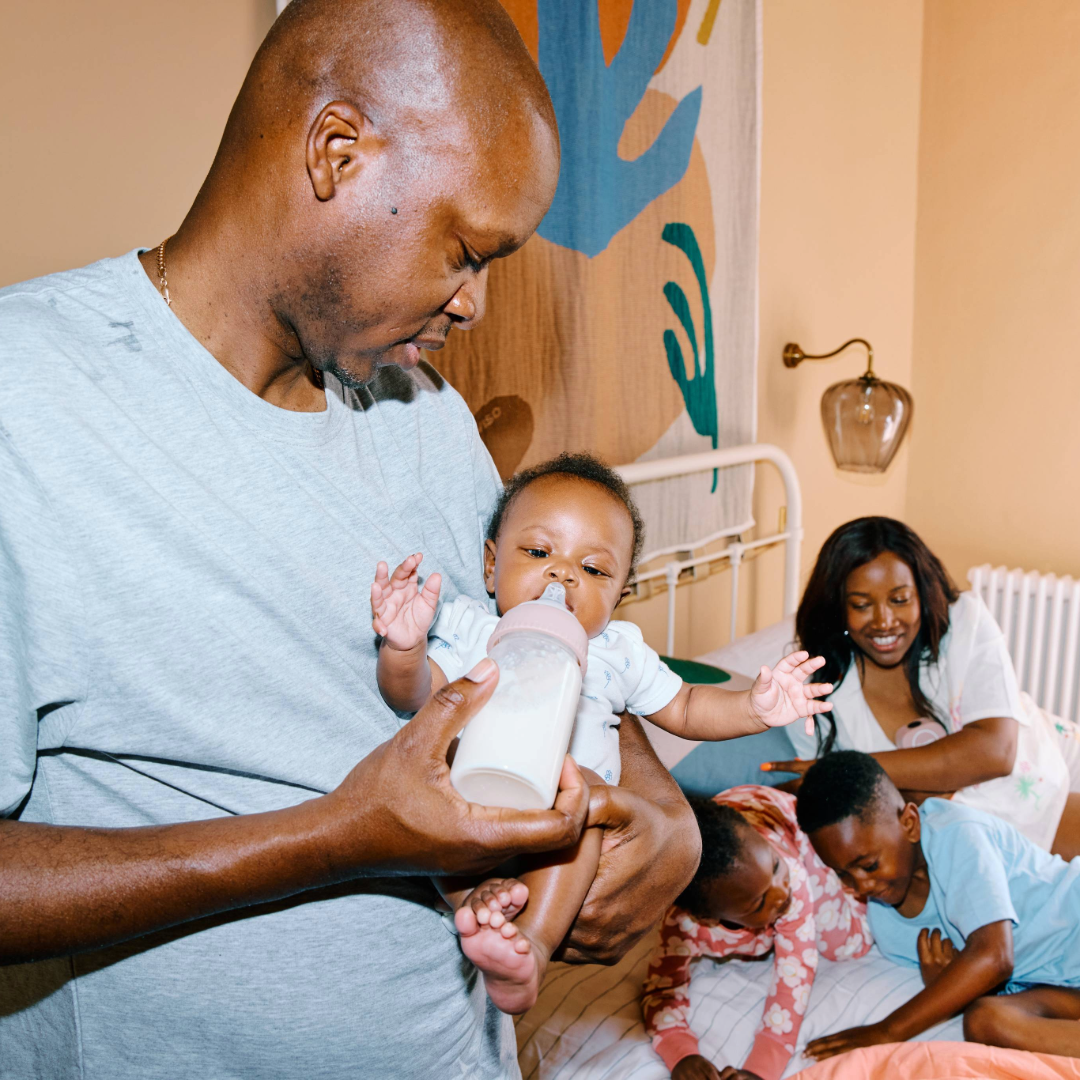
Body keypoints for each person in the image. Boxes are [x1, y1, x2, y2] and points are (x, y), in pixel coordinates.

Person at [0, 2, 702, 1076]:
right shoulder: (28, 403)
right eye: (467, 251)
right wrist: (334, 837)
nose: (474, 305)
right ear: (337, 152)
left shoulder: (427, 420)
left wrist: (660, 806)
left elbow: (538, 634)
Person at [372, 454, 835, 1015]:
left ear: (620, 593)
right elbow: (417, 696)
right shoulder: (472, 627)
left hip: (566, 826)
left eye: (593, 570)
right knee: (433, 807)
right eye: (538, 553)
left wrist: (755, 708)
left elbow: (686, 705)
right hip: (472, 805)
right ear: (491, 566)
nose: (562, 575)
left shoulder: (617, 652)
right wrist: (404, 648)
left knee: (588, 796)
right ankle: (476, 902)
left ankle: (530, 949)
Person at [763, 516, 1080, 857]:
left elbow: (996, 752)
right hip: (964, 834)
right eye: (861, 605)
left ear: (922, 594)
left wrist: (852, 772)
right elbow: (834, 804)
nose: (884, 621)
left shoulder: (964, 623)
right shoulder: (814, 690)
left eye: (900, 599)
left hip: (1044, 776)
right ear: (838, 608)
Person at [797, 750, 1080, 1061]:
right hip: (1065, 987)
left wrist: (886, 1031)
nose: (861, 886)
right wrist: (953, 986)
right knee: (985, 1022)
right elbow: (999, 981)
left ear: (910, 823)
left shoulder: (955, 833)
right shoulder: (888, 929)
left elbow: (995, 956)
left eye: (870, 865)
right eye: (843, 874)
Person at [641, 786, 871, 1080]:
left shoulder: (790, 875)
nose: (781, 893)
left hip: (785, 819)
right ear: (707, 919)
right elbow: (660, 990)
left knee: (848, 946)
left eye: (775, 868)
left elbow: (794, 976)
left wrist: (760, 1070)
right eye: (759, 902)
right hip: (739, 839)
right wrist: (681, 1053)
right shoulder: (684, 923)